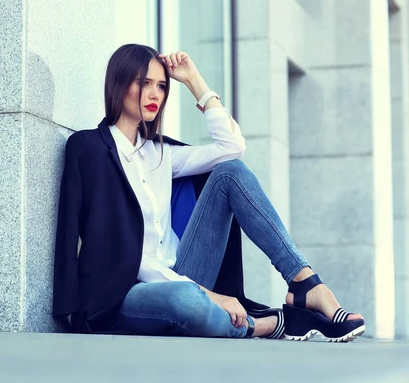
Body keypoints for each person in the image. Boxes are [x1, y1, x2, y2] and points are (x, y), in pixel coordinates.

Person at [53, 43, 365, 342]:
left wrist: (193, 80)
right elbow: (82, 235)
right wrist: (69, 310)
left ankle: (303, 281)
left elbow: (232, 149)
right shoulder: (89, 148)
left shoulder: (161, 154)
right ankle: (261, 325)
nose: (154, 94)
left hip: (182, 272)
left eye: (161, 86)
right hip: (126, 290)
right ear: (119, 84)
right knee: (185, 298)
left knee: (232, 173)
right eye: (144, 83)